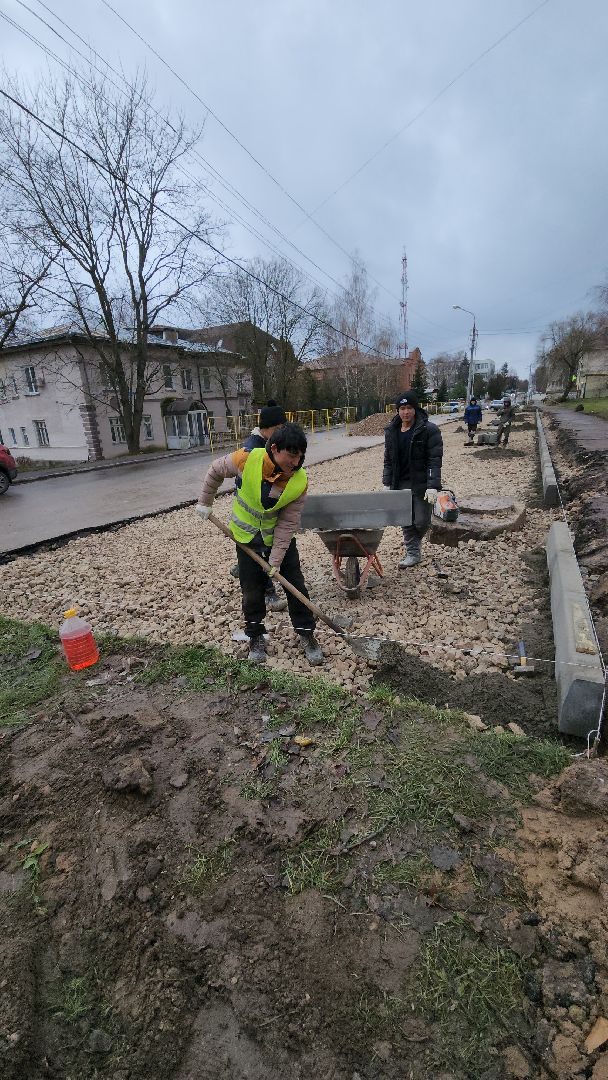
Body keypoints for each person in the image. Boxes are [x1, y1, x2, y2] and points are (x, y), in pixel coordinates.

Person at [196, 422, 324, 666]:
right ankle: (255, 636)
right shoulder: (246, 458)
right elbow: (215, 471)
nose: (296, 463)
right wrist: (205, 502)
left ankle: (306, 634)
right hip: (246, 540)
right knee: (252, 592)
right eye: (291, 455)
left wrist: (274, 563)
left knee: (296, 587)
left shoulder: (298, 481)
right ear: (274, 449)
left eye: (300, 457)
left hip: (279, 541)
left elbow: (287, 524)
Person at [230, 401, 289, 612]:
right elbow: (252, 484)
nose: (282, 433)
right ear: (269, 428)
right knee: (260, 553)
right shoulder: (253, 447)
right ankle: (269, 595)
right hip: (253, 513)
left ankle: (245, 568)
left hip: (262, 511)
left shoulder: (266, 442)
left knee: (262, 552)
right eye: (280, 428)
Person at [382, 391, 443, 568]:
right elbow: (388, 459)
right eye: (402, 408)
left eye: (409, 408)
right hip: (400, 482)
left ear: (415, 409)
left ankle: (414, 544)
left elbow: (434, 459)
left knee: (422, 521)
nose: (405, 412)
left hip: (421, 482)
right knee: (405, 520)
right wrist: (387, 483)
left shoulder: (428, 429)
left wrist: (433, 486)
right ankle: (413, 553)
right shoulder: (391, 431)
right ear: (397, 410)